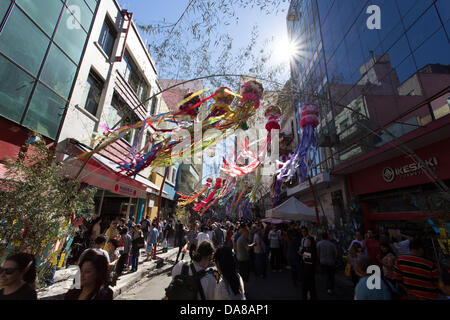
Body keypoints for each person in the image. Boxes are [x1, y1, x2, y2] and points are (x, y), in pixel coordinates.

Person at [299, 236, 318, 300]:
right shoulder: (306, 249)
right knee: (307, 286)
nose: (307, 242)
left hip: (309, 271)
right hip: (305, 270)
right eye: (307, 241)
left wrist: (302, 254)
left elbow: (311, 258)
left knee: (309, 286)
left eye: (308, 241)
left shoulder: (312, 250)